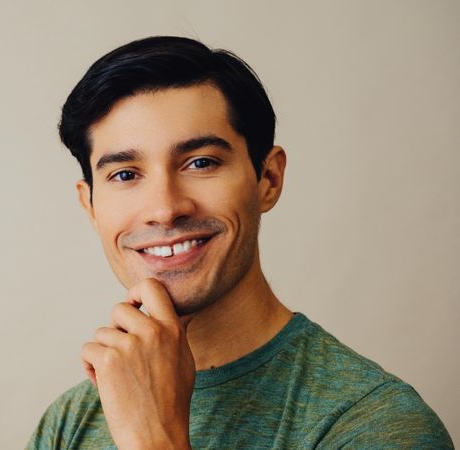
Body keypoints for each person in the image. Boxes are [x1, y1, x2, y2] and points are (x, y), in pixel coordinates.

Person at [26, 36, 453, 449]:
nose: (165, 208)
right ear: (91, 205)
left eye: (201, 163)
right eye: (125, 174)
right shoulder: (68, 424)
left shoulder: (377, 425)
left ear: (268, 179)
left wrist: (153, 442)